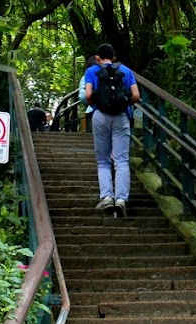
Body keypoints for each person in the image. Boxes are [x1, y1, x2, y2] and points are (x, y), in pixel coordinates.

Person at [82, 44, 140, 217]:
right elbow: (136, 95)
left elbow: (88, 95)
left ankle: (107, 197)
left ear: (98, 57)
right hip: (121, 116)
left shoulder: (92, 71)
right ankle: (121, 199)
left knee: (103, 161)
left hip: (100, 116)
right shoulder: (126, 71)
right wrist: (123, 104)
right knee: (122, 160)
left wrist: (97, 106)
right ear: (113, 57)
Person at [77, 55, 99, 132]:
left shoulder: (86, 77)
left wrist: (93, 102)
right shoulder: (113, 74)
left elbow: (83, 96)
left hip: (93, 111)